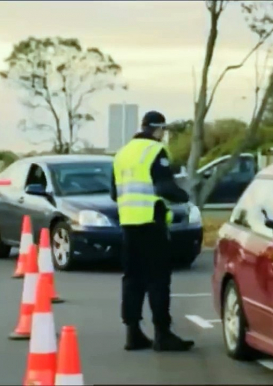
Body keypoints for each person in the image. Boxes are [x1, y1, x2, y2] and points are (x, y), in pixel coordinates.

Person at [110, 110, 195, 352]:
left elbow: (114, 194)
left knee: (133, 278)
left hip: (128, 224)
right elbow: (164, 187)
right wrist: (185, 196)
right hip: (152, 223)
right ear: (159, 130)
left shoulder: (122, 154)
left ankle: (133, 332)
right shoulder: (156, 151)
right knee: (158, 279)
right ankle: (162, 334)